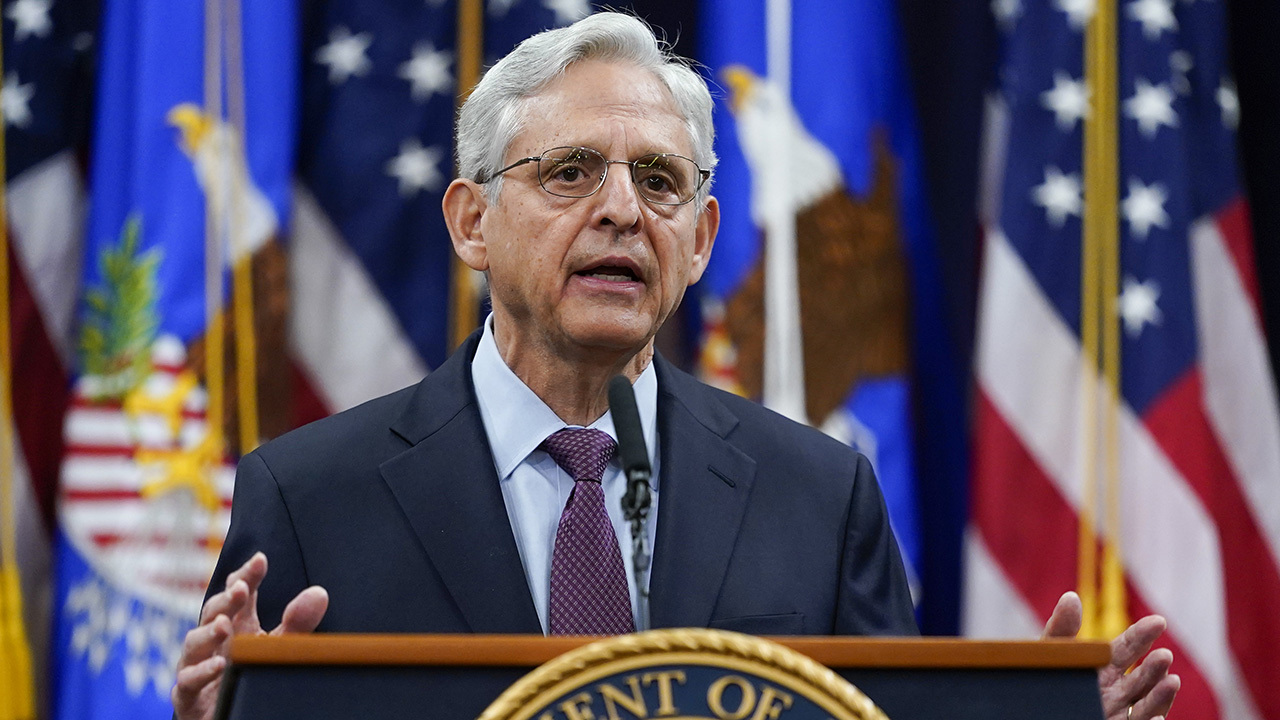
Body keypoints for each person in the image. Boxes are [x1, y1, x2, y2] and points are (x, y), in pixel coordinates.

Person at [171, 12, 1180, 720]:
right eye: (569, 171)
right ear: (471, 222)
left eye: (657, 181)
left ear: (697, 241)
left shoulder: (819, 496)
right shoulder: (310, 496)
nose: (618, 210)